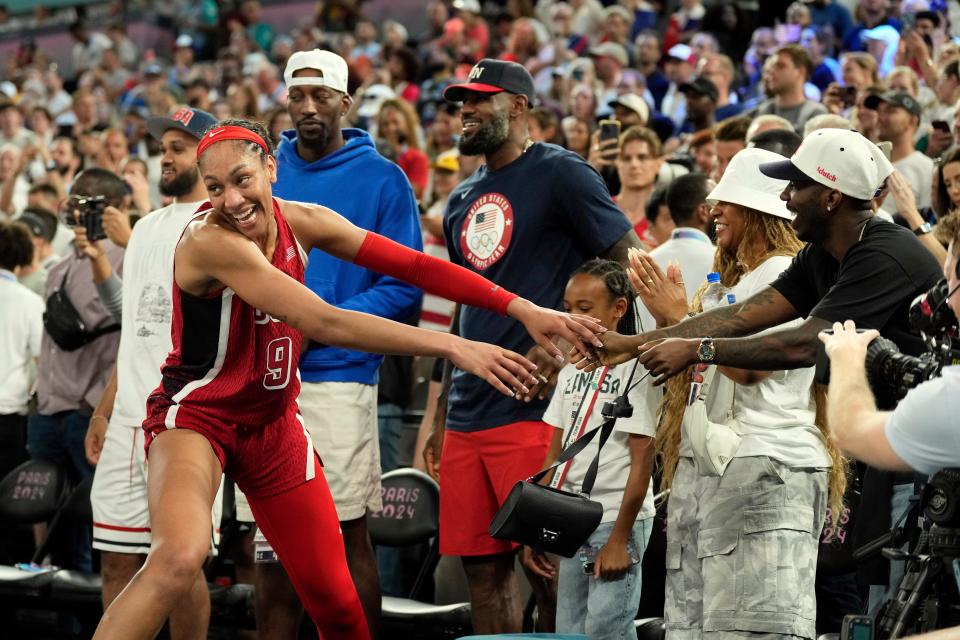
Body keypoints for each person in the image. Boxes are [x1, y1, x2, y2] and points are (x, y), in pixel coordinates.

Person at [91, 118, 606, 640]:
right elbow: (322, 320)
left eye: (243, 179)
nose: (232, 198)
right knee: (179, 557)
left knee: (337, 604)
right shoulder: (210, 241)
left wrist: (521, 307)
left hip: (273, 423)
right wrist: (454, 344)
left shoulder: (305, 220)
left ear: (272, 168)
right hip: (198, 417)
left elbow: (416, 268)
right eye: (217, 186)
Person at [584, 128, 944, 619]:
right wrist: (631, 344)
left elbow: (800, 343)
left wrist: (694, 349)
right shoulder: (822, 254)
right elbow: (748, 314)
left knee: (909, 611)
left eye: (796, 186)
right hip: (895, 448)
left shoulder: (884, 254)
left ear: (832, 196)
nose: (785, 197)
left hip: (929, 458)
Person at [423, 58, 640, 634]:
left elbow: (630, 267)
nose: (465, 111)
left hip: (539, 411)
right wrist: (442, 410)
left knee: (545, 567)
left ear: (518, 106)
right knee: (481, 572)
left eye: (479, 100)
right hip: (470, 410)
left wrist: (573, 343)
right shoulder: (460, 198)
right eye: (460, 102)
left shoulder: (562, 173)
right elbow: (464, 301)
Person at [634, 148, 838, 640]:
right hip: (721, 470)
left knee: (752, 631)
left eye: (728, 201)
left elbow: (749, 372)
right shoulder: (742, 280)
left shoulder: (781, 274)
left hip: (762, 468)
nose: (714, 211)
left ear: (761, 211)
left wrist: (677, 320)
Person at [258, 49, 422, 636]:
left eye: (321, 96)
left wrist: (318, 320)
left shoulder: (383, 178)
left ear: (344, 103)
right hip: (266, 378)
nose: (307, 107)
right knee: (269, 550)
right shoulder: (266, 172)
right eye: (297, 96)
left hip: (340, 375)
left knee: (346, 533)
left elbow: (404, 289)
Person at [81, 107, 222, 635]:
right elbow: (135, 327)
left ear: (207, 153)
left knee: (181, 568)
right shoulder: (143, 229)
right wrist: (105, 407)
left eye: (179, 147)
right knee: (117, 558)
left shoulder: (218, 223)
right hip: (127, 418)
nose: (166, 155)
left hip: (187, 419)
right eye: (163, 146)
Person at [522, 259, 656, 640]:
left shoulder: (637, 371)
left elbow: (642, 462)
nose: (573, 318)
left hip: (615, 519)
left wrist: (619, 540)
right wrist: (536, 527)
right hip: (570, 520)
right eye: (567, 309)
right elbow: (554, 456)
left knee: (606, 631)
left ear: (619, 309)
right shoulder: (569, 370)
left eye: (585, 309)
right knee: (571, 632)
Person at [29, 168, 127, 572]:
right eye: (73, 195)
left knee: (93, 528)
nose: (73, 204)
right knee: (50, 524)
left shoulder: (125, 256)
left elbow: (127, 323)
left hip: (88, 412)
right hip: (48, 409)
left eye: (85, 198)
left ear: (106, 209)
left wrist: (96, 405)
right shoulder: (58, 265)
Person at [819, 214, 960, 476]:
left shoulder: (952, 399)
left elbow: (851, 432)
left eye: (948, 278)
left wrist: (847, 358)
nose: (943, 296)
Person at [865, 91, 934, 218]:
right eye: (879, 111)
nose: (880, 117)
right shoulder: (868, 162)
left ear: (912, 121)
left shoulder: (927, 168)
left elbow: (929, 220)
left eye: (890, 111)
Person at [750, 45, 828, 133]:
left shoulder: (815, 113)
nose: (772, 71)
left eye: (780, 66)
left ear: (801, 71)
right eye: (771, 67)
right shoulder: (760, 111)